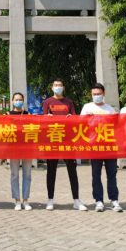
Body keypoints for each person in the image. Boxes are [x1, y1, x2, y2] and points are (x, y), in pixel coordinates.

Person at [42, 78, 87, 211]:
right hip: (53, 140)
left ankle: (76, 200)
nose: (58, 87)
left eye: (60, 85)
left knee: (72, 171)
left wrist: (71, 118)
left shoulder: (69, 102)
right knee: (51, 171)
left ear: (64, 88)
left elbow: (74, 119)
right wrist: (47, 118)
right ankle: (50, 200)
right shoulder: (47, 102)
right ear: (52, 88)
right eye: (55, 85)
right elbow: (43, 120)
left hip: (68, 141)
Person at [80, 83, 122, 213]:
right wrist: (86, 118)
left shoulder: (109, 109)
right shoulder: (87, 107)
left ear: (104, 94)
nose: (96, 96)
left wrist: (116, 118)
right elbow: (79, 124)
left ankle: (114, 200)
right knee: (96, 174)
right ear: (91, 95)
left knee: (112, 174)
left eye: (98, 94)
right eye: (94, 94)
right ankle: (99, 200)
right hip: (94, 146)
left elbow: (116, 127)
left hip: (109, 145)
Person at [8, 92, 33, 211]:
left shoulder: (28, 114)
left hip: (27, 147)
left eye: (20, 100)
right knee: (14, 174)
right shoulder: (8, 114)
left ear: (23, 101)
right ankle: (17, 200)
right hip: (13, 148)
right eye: (16, 100)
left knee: (27, 174)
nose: (18, 101)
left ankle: (25, 200)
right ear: (12, 101)